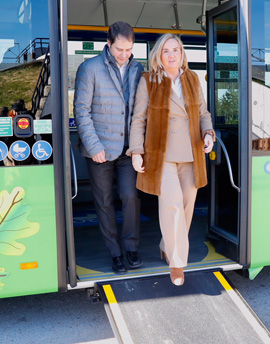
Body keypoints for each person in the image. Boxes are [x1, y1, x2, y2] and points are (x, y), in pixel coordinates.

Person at [128, 34, 215, 286]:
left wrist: (208, 133)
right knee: (172, 205)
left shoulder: (192, 78)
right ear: (158, 55)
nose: (172, 55)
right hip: (162, 154)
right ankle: (177, 263)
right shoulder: (149, 80)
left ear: (182, 53)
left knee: (187, 205)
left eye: (176, 50)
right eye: (166, 51)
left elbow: (203, 112)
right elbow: (139, 118)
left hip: (191, 153)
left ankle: (166, 245)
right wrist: (136, 151)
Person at [73, 21, 144, 274]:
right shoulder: (89, 68)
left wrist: (138, 147)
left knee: (130, 196)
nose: (124, 55)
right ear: (108, 44)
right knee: (104, 202)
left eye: (129, 49)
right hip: (99, 150)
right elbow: (81, 111)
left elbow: (139, 111)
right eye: (119, 49)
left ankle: (131, 247)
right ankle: (115, 253)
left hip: (127, 149)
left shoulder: (138, 69)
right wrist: (94, 146)